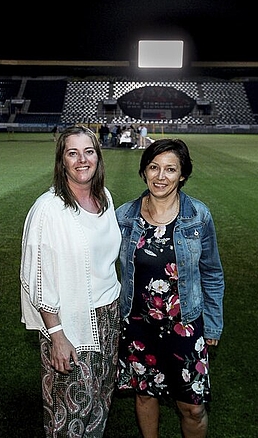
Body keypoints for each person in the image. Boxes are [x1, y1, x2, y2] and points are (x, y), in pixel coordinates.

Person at [115, 138, 225, 438]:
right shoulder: (124, 216)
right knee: (145, 395)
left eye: (170, 169)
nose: (160, 176)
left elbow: (212, 273)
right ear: (143, 172)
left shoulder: (198, 216)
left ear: (183, 175)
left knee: (192, 407)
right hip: (138, 325)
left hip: (185, 326)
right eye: (153, 167)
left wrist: (213, 325)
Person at [20, 125, 122, 437]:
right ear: (62, 160)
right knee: (69, 412)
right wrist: (56, 335)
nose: (82, 159)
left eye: (88, 151)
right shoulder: (49, 210)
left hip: (109, 317)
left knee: (101, 399)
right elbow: (37, 278)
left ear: (98, 157)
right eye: (72, 153)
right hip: (71, 324)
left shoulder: (104, 198)